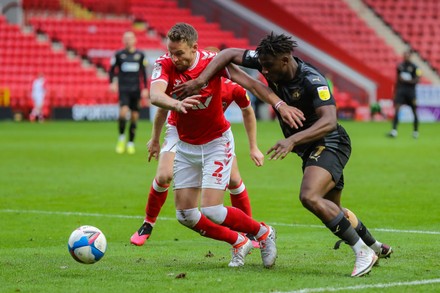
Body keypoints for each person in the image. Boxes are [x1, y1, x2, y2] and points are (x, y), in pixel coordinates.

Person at [173, 32, 393, 277]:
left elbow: (330, 121)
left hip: (330, 142)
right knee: (332, 207)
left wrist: (292, 140)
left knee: (309, 197)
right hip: (309, 147)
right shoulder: (268, 59)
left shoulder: (312, 80)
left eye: (268, 67)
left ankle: (362, 251)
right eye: (262, 65)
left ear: (286, 60)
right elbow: (227, 55)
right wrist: (201, 80)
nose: (264, 71)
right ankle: (376, 246)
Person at [148, 22, 279, 268]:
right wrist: (176, 105)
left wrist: (279, 105)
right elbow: (155, 96)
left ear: (194, 47)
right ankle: (239, 242)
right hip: (186, 145)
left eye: (180, 53)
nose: (174, 58)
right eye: (171, 52)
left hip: (216, 142)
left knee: (213, 210)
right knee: (185, 215)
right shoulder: (163, 63)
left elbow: (250, 85)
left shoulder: (214, 62)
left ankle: (264, 232)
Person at [130, 77, 264, 249]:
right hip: (178, 130)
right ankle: (148, 224)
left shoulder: (233, 88)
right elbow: (163, 108)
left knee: (234, 180)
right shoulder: (186, 84)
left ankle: (249, 231)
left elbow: (247, 111)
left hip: (213, 136)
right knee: (164, 175)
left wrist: (253, 147)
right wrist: (155, 138)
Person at [109, 31, 149, 154]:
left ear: (134, 40)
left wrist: (145, 88)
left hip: (136, 90)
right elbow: (111, 70)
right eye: (126, 38)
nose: (128, 40)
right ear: (123, 40)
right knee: (123, 113)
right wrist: (112, 82)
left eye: (130, 38)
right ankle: (121, 138)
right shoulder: (119, 55)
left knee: (134, 117)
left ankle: (130, 143)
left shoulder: (140, 55)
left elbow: (144, 73)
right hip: (124, 89)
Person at [388, 50, 421, 138]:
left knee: (414, 111)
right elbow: (397, 80)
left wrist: (407, 80)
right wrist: (395, 92)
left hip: (411, 92)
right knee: (397, 110)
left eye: (407, 55)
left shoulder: (415, 67)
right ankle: (394, 131)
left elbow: (417, 80)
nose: (406, 57)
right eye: (404, 55)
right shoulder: (400, 66)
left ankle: (415, 131)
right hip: (401, 91)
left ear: (410, 56)